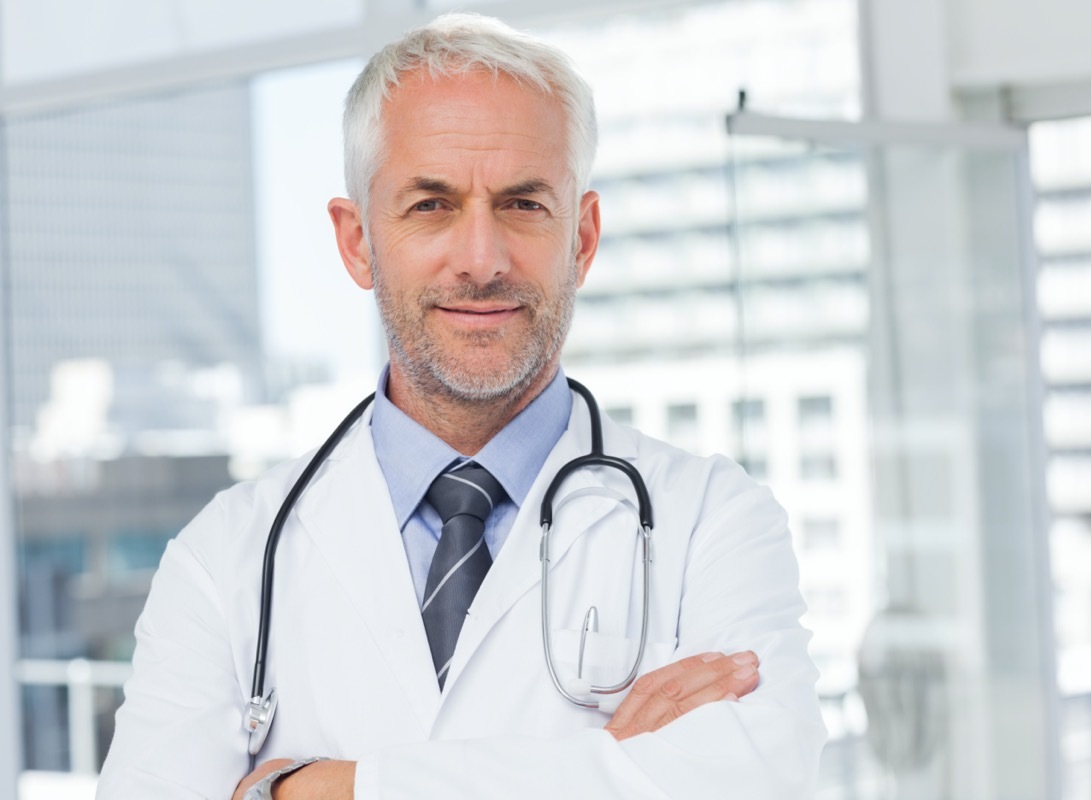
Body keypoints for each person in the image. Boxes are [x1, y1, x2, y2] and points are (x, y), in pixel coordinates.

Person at [97, 13, 826, 799]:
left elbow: (760, 778)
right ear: (357, 242)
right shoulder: (225, 559)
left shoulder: (714, 520)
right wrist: (612, 769)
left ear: (581, 238)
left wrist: (315, 788)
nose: (481, 260)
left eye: (522, 205)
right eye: (431, 206)